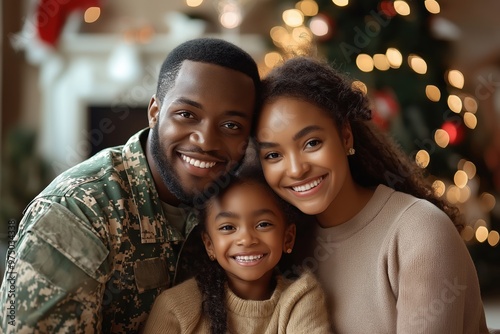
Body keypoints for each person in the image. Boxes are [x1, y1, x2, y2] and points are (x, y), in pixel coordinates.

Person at [0, 38, 261, 333]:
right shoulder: (74, 214)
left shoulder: (235, 200)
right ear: (154, 112)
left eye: (231, 126)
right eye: (187, 115)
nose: (206, 141)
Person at [255, 56, 490, 333]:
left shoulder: (418, 231)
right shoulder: (285, 244)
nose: (296, 169)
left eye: (312, 143)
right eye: (273, 155)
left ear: (345, 137)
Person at [142, 165, 333, 334]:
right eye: (228, 227)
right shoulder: (175, 308)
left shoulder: (300, 298)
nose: (246, 239)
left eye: (263, 224)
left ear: (287, 237)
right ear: (210, 245)